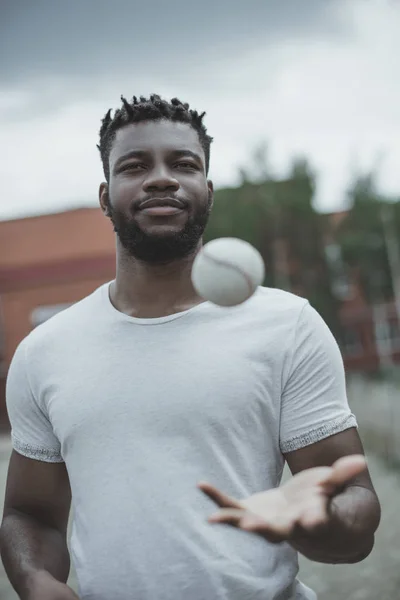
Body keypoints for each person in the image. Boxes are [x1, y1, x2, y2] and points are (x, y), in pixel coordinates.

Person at [0, 94, 380, 600]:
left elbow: (354, 508)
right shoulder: (44, 351)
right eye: (135, 166)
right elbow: (30, 513)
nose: (161, 177)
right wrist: (35, 580)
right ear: (104, 195)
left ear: (208, 189)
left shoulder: (287, 325)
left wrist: (316, 519)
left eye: (183, 164)